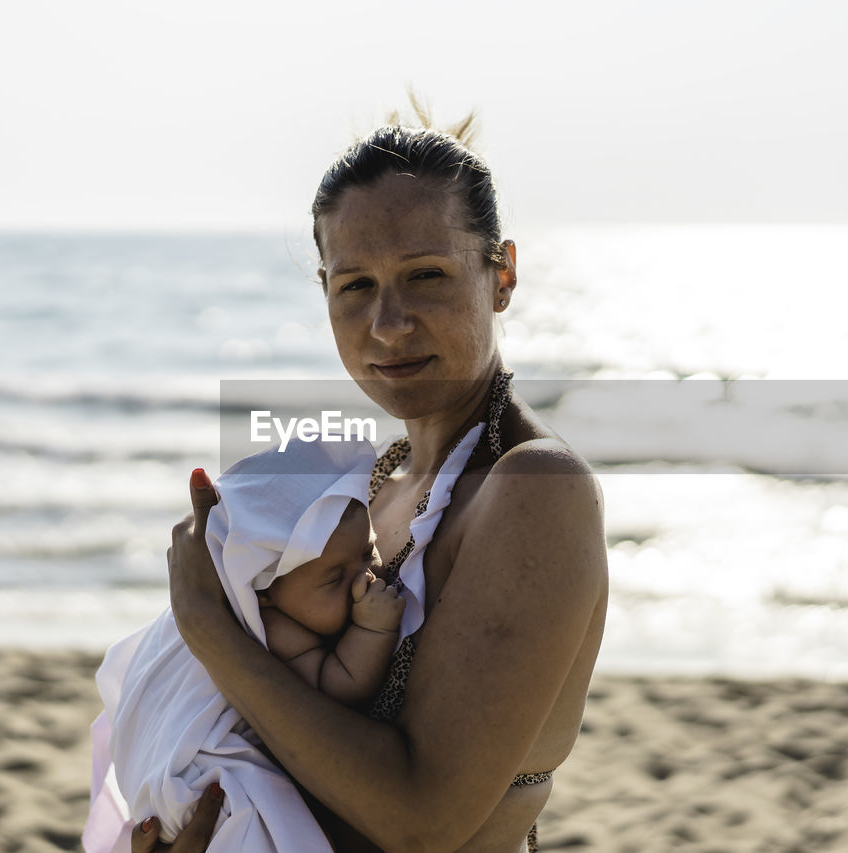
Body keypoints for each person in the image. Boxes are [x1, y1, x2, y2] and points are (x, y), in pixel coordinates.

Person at [147, 116, 610, 853]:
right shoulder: (366, 488)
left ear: (503, 277)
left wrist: (209, 628)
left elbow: (422, 818)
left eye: (426, 274)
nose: (388, 325)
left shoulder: (533, 487)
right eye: (355, 285)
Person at [86, 438, 404, 852]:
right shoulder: (275, 628)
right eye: (334, 577)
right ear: (265, 590)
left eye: (368, 550)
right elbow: (339, 685)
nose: (366, 577)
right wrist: (374, 631)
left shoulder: (295, 601)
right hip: (201, 778)